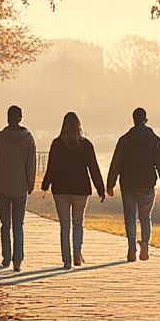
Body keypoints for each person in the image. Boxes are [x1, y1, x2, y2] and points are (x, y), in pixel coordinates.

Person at [40, 112, 106, 269]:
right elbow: (93, 168)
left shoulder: (57, 144)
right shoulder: (86, 145)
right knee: (78, 223)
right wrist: (100, 189)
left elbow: (51, 167)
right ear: (79, 126)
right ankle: (77, 252)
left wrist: (45, 185)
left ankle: (66, 260)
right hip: (81, 190)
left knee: (65, 225)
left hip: (61, 189)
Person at [106, 107, 160, 262]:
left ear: (133, 120)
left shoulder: (124, 140)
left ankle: (132, 248)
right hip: (147, 185)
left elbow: (116, 163)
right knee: (145, 217)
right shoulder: (154, 139)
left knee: (130, 218)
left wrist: (110, 183)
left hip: (128, 185)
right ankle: (145, 245)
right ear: (145, 120)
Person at [0, 105, 37, 272]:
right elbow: (31, 164)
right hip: (20, 185)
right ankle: (18, 260)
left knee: (5, 223)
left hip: (2, 185)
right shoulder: (28, 139)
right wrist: (30, 183)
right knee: (18, 224)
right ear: (20, 118)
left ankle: (6, 257)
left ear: (8, 118)